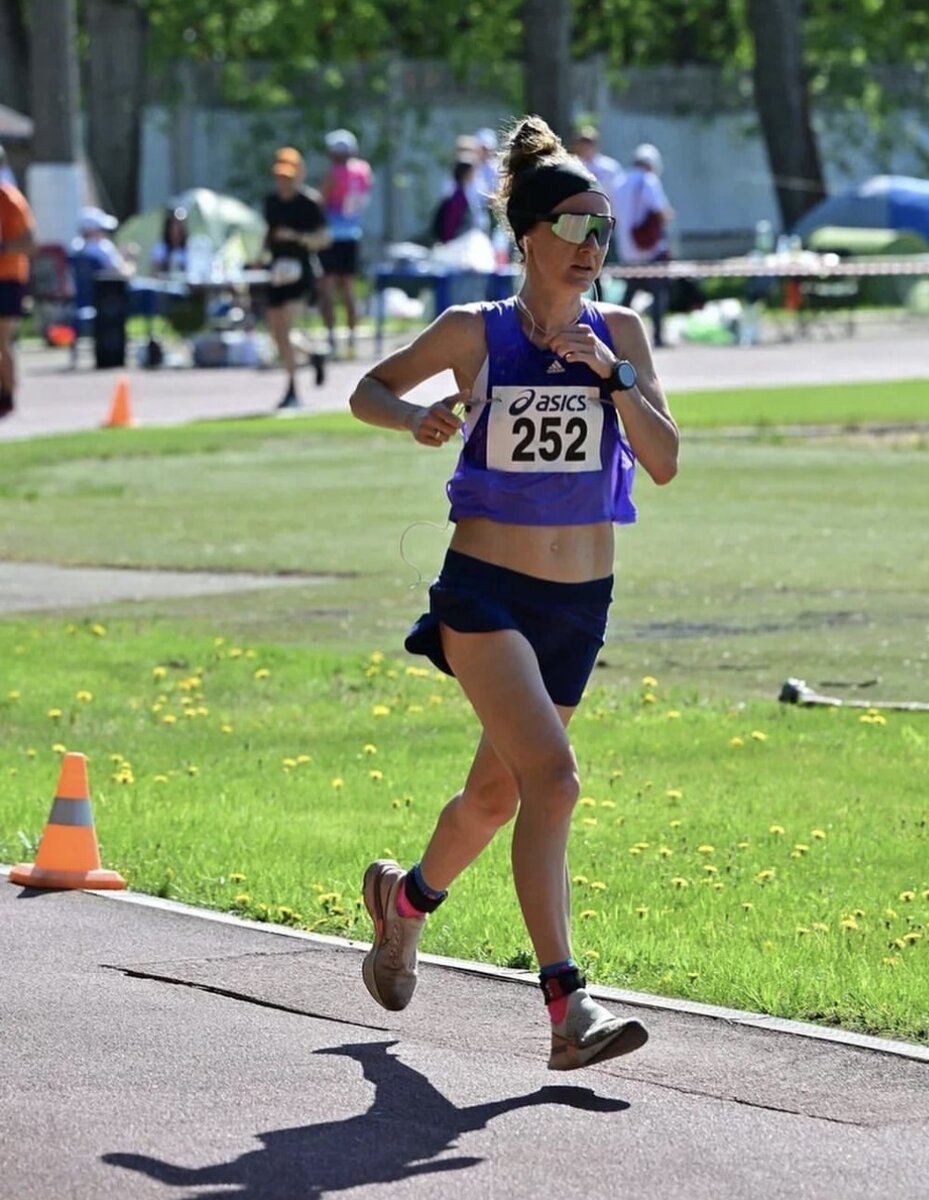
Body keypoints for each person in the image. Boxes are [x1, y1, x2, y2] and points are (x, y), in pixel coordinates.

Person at [348, 114, 679, 1070]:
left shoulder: (621, 333)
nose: (591, 249)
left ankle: (402, 902)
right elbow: (369, 386)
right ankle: (568, 1008)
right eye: (574, 228)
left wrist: (612, 377)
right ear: (527, 235)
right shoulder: (473, 331)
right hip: (485, 591)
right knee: (557, 779)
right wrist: (415, 417)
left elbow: (661, 462)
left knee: (496, 797)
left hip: (580, 605)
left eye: (603, 230)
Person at [262, 147, 330, 410]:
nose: (284, 182)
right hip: (277, 270)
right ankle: (313, 355)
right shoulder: (271, 201)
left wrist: (295, 237)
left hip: (300, 271)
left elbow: (324, 239)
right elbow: (268, 233)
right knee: (276, 333)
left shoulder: (309, 203)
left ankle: (292, 388)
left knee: (286, 329)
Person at [318, 128, 373, 357]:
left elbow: (321, 201)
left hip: (331, 236)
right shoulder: (364, 171)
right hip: (352, 235)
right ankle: (351, 339)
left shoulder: (334, 174)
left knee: (327, 289)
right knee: (349, 290)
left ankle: (332, 338)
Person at [612, 143, 673, 348]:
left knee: (629, 294)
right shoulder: (648, 180)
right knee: (658, 292)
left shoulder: (619, 182)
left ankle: (614, 334)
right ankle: (657, 336)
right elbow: (660, 211)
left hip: (628, 250)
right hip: (649, 249)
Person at [0, 154, 36, 419]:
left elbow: (31, 243)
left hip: (7, 278)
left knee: (2, 340)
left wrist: (4, 248)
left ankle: (7, 393)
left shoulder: (10, 200)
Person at [70, 206, 133, 277]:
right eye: (101, 229)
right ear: (92, 231)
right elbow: (120, 274)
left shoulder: (75, 247)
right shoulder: (104, 248)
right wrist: (130, 259)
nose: (104, 233)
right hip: (109, 287)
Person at [431, 158, 479, 244]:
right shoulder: (457, 197)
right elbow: (450, 223)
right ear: (465, 174)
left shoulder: (463, 192)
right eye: (472, 172)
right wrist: (448, 243)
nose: (474, 175)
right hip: (456, 245)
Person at [571, 125, 623, 203]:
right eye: (582, 142)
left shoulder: (609, 167)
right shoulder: (572, 165)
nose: (585, 145)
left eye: (589, 142)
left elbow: (619, 191)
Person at [150, 205, 189, 275]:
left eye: (180, 224)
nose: (178, 228)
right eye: (175, 224)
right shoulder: (160, 249)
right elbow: (154, 273)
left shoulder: (189, 250)